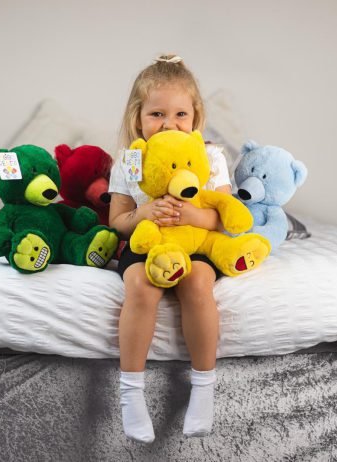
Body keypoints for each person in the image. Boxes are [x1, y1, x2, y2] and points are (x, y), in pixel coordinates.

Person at [109, 54, 232, 443]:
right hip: (147, 244)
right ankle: (131, 393)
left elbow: (223, 218)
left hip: (195, 244)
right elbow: (117, 220)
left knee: (196, 281)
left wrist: (191, 217)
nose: (169, 124)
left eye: (180, 114)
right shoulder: (130, 161)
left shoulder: (210, 157)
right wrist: (144, 212)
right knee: (142, 286)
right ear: (138, 118)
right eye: (157, 114)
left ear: (195, 118)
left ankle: (203, 388)